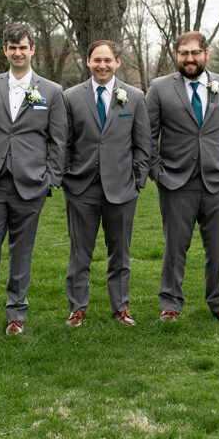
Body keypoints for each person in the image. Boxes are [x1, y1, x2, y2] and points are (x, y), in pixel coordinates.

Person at [0, 23, 66, 336]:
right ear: (5, 50)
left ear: (32, 50)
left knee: (22, 250)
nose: (18, 53)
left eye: (23, 47)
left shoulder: (51, 91)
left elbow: (59, 140)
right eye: (12, 47)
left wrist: (51, 178)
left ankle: (16, 314)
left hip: (31, 183)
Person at [144, 31, 219, 325]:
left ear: (206, 54)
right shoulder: (160, 88)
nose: (189, 58)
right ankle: (170, 304)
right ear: (176, 55)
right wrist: (157, 172)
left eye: (195, 53)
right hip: (176, 182)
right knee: (175, 247)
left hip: (218, 181)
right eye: (183, 53)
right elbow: (147, 134)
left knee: (217, 248)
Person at [62, 40, 149, 328]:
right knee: (80, 253)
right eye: (97, 60)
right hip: (81, 187)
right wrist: (67, 177)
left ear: (117, 62)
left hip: (122, 189)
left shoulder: (134, 97)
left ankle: (120, 308)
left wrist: (137, 180)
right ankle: (77, 309)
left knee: (120, 253)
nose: (102, 65)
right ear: (88, 61)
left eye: (107, 60)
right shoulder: (71, 97)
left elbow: (143, 144)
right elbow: (64, 142)